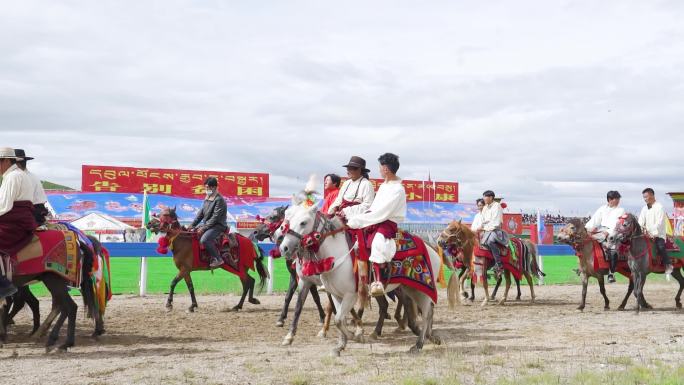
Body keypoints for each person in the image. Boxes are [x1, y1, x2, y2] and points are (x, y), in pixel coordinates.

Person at [347, 153, 406, 297]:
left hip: (387, 222)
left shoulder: (398, 189)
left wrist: (360, 220)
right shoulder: (384, 186)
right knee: (355, 241)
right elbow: (374, 207)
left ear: (385, 168)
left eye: (380, 167)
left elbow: (383, 212)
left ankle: (378, 282)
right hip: (374, 219)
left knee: (378, 242)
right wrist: (360, 217)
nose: (379, 170)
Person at [0, 147, 37, 298]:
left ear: (7, 161)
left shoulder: (12, 177)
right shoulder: (19, 175)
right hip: (18, 220)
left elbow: (4, 206)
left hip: (14, 224)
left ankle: (4, 286)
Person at [584, 190, 624, 283]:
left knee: (613, 250)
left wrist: (608, 231)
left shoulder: (620, 210)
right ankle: (584, 267)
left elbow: (617, 224)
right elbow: (594, 220)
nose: (618, 201)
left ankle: (611, 273)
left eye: (618, 199)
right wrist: (587, 229)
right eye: (616, 199)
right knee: (586, 243)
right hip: (601, 231)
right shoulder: (602, 209)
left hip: (614, 232)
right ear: (610, 199)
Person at [189, 177, 228, 268]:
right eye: (205, 187)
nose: (206, 189)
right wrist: (192, 225)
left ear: (214, 187)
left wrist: (203, 228)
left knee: (204, 240)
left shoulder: (219, 200)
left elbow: (215, 217)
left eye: (208, 187)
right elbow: (201, 214)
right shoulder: (207, 198)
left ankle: (218, 259)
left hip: (218, 226)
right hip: (209, 225)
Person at [638, 188, 673, 276]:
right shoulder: (644, 208)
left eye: (646, 197)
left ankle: (668, 264)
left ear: (652, 195)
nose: (645, 199)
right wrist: (641, 230)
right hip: (645, 234)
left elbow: (659, 222)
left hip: (658, 234)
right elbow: (640, 222)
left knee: (660, 246)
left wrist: (652, 233)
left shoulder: (659, 207)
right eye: (644, 197)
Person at [475, 190, 507, 274]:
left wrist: (484, 228)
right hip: (485, 230)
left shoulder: (497, 206)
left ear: (491, 197)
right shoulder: (485, 207)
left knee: (490, 241)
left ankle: (499, 264)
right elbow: (484, 220)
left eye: (485, 197)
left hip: (495, 230)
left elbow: (496, 223)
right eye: (484, 196)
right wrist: (480, 227)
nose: (484, 198)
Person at [14, 149, 49, 226]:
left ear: (16, 164)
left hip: (30, 213)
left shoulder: (19, 177)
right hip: (37, 211)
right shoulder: (33, 176)